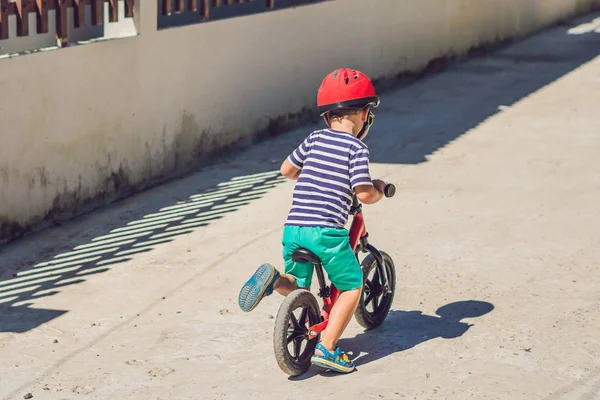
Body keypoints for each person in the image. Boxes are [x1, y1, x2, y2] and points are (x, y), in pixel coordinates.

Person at [238, 68, 388, 373]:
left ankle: (275, 280)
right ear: (363, 113)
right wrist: (380, 189)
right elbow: (364, 193)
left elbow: (286, 170)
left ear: (327, 116)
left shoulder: (314, 139)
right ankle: (328, 348)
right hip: (326, 233)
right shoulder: (357, 148)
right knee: (351, 286)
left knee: (297, 283)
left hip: (294, 229)